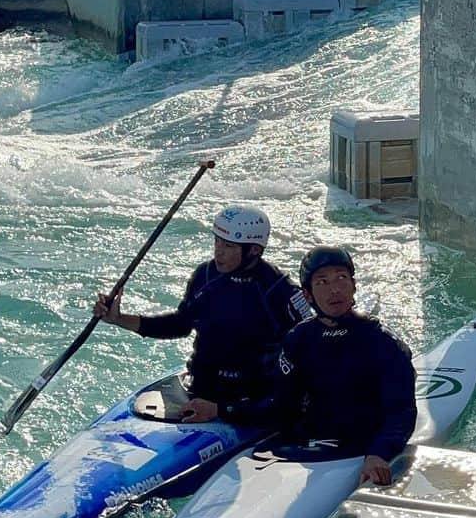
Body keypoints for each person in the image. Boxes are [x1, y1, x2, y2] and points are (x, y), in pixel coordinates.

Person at [94, 205, 312, 423]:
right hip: (201, 389)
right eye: (217, 241)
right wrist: (118, 319)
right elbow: (180, 325)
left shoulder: (278, 289)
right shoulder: (205, 275)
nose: (218, 252)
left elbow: (308, 344)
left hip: (252, 400)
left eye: (228, 246)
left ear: (253, 250)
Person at [234, 245, 417, 484]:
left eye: (341, 278)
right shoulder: (298, 339)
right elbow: (281, 404)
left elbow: (401, 411)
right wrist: (223, 410)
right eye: (322, 282)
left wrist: (379, 453)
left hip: (363, 445)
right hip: (312, 442)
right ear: (308, 295)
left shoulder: (382, 342)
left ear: (354, 285)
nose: (334, 290)